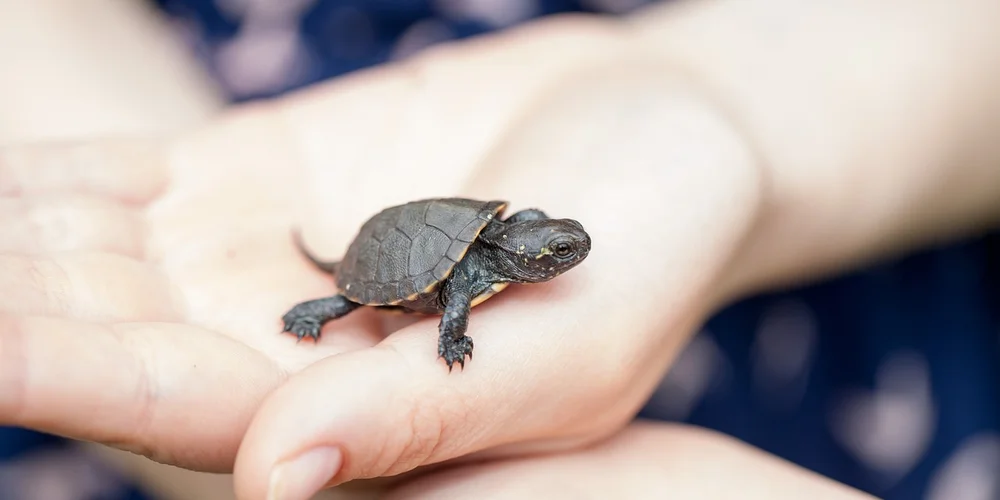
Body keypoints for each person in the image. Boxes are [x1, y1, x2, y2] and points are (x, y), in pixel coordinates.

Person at [1, 1, 999, 499]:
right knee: (341, 301)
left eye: (553, 250)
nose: (556, 257)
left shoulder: (509, 243)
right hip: (226, 139)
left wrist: (721, 98)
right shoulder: (473, 275)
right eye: (549, 251)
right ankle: (317, 305)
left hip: (878, 284)